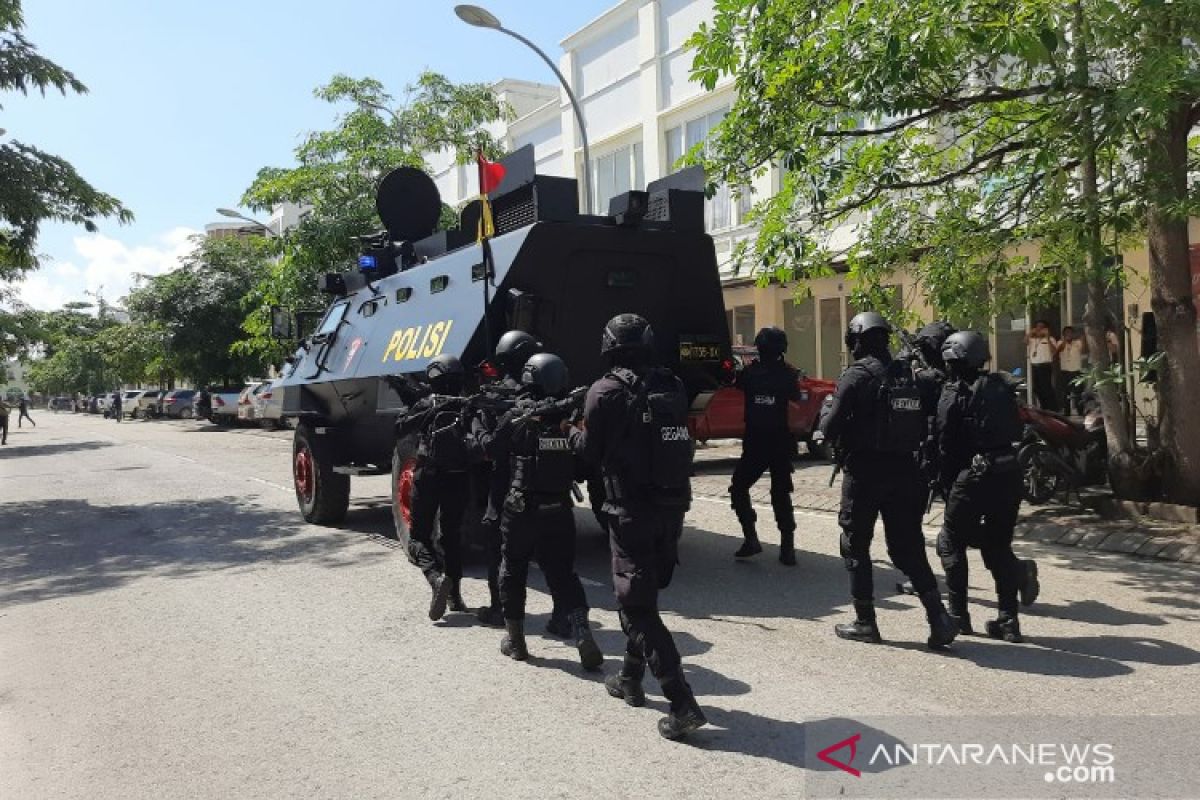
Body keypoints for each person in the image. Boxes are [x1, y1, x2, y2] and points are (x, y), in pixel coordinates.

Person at [577, 313, 706, 740]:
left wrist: (570, 430)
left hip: (630, 510)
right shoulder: (672, 384)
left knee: (637, 609)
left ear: (609, 346)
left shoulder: (605, 391)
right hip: (673, 507)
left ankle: (682, 702)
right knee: (644, 595)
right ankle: (630, 679)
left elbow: (588, 455)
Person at [818, 311, 958, 650]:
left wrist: (826, 411)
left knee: (854, 544)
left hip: (865, 473)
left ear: (857, 339)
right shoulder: (911, 374)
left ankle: (865, 622)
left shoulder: (856, 376)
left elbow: (829, 428)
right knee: (907, 548)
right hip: (907, 472)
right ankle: (939, 618)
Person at [481, 352, 601, 671]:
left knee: (513, 568)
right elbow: (582, 466)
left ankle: (516, 640)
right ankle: (581, 630)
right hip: (559, 506)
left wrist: (481, 430)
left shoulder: (518, 416)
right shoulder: (567, 419)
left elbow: (491, 450)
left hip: (520, 507)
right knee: (563, 573)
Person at [935, 331, 1040, 642]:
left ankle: (957, 615)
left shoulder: (953, 393)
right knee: (998, 545)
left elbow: (944, 443)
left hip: (974, 476)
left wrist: (944, 481)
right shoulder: (1001, 386)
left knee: (950, 542)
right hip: (1009, 471)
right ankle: (1008, 620)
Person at [395, 355, 479, 621]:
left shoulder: (427, 403)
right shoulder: (467, 404)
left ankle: (435, 579)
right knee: (451, 537)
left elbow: (399, 429)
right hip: (459, 477)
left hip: (428, 475)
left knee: (418, 537)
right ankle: (455, 597)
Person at [471, 329, 543, 628]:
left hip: (504, 484)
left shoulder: (494, 397)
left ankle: (501, 610)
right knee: (554, 557)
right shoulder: (545, 393)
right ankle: (569, 618)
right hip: (545, 485)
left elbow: (485, 449)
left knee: (498, 548)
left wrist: (475, 423)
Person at [729, 326, 800, 564]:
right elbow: (796, 395)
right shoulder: (789, 374)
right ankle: (787, 549)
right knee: (781, 494)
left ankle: (751, 538)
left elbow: (733, 382)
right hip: (780, 442)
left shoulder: (750, 374)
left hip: (756, 443)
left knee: (739, 487)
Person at [1025, 321, 1059, 411]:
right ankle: (1044, 407)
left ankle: (1053, 408)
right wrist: (1030, 333)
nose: (1039, 329)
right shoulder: (1033, 339)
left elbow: (1055, 351)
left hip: (1045, 366)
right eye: (1037, 327)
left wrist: (1047, 336)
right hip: (1035, 366)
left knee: (1046, 388)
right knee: (1037, 388)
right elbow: (1025, 341)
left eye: (1041, 327)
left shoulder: (1050, 339)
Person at [1056, 326, 1086, 415]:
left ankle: (1080, 411)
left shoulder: (1077, 343)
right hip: (1065, 371)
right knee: (1065, 393)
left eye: (1070, 333)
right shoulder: (1060, 343)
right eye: (1066, 333)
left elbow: (1083, 350)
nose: (1069, 335)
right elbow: (1057, 352)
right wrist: (1065, 341)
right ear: (1064, 334)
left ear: (1073, 334)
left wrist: (1083, 340)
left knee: (1078, 393)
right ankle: (1067, 412)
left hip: (1076, 371)